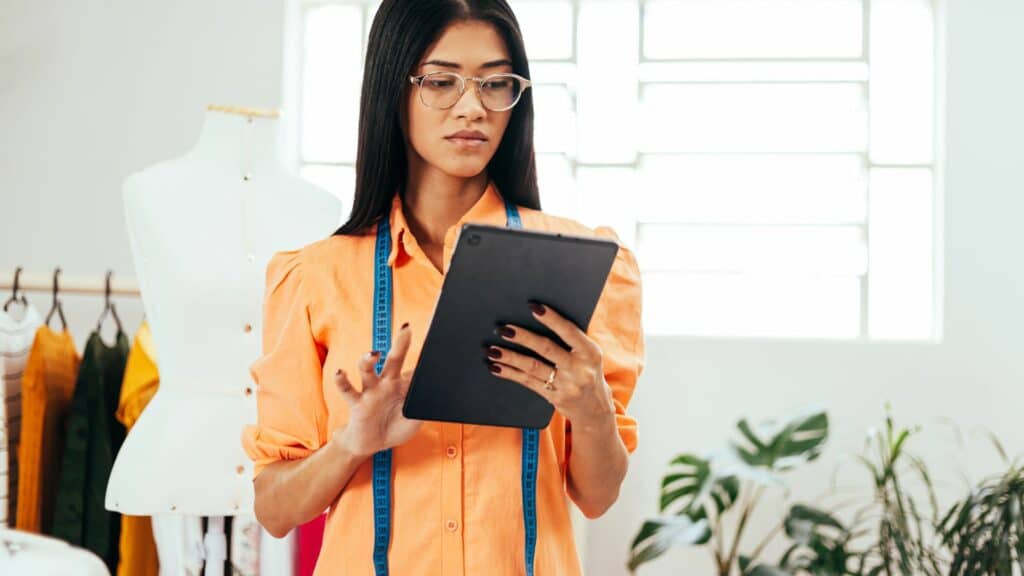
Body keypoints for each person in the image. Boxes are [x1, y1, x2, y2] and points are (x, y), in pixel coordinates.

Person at [242, 1, 645, 574]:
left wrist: (592, 409)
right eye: (441, 81)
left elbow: (597, 496)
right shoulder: (313, 278)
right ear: (392, 87)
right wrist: (352, 443)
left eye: (495, 83)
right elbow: (276, 510)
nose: (472, 107)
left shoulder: (588, 266)